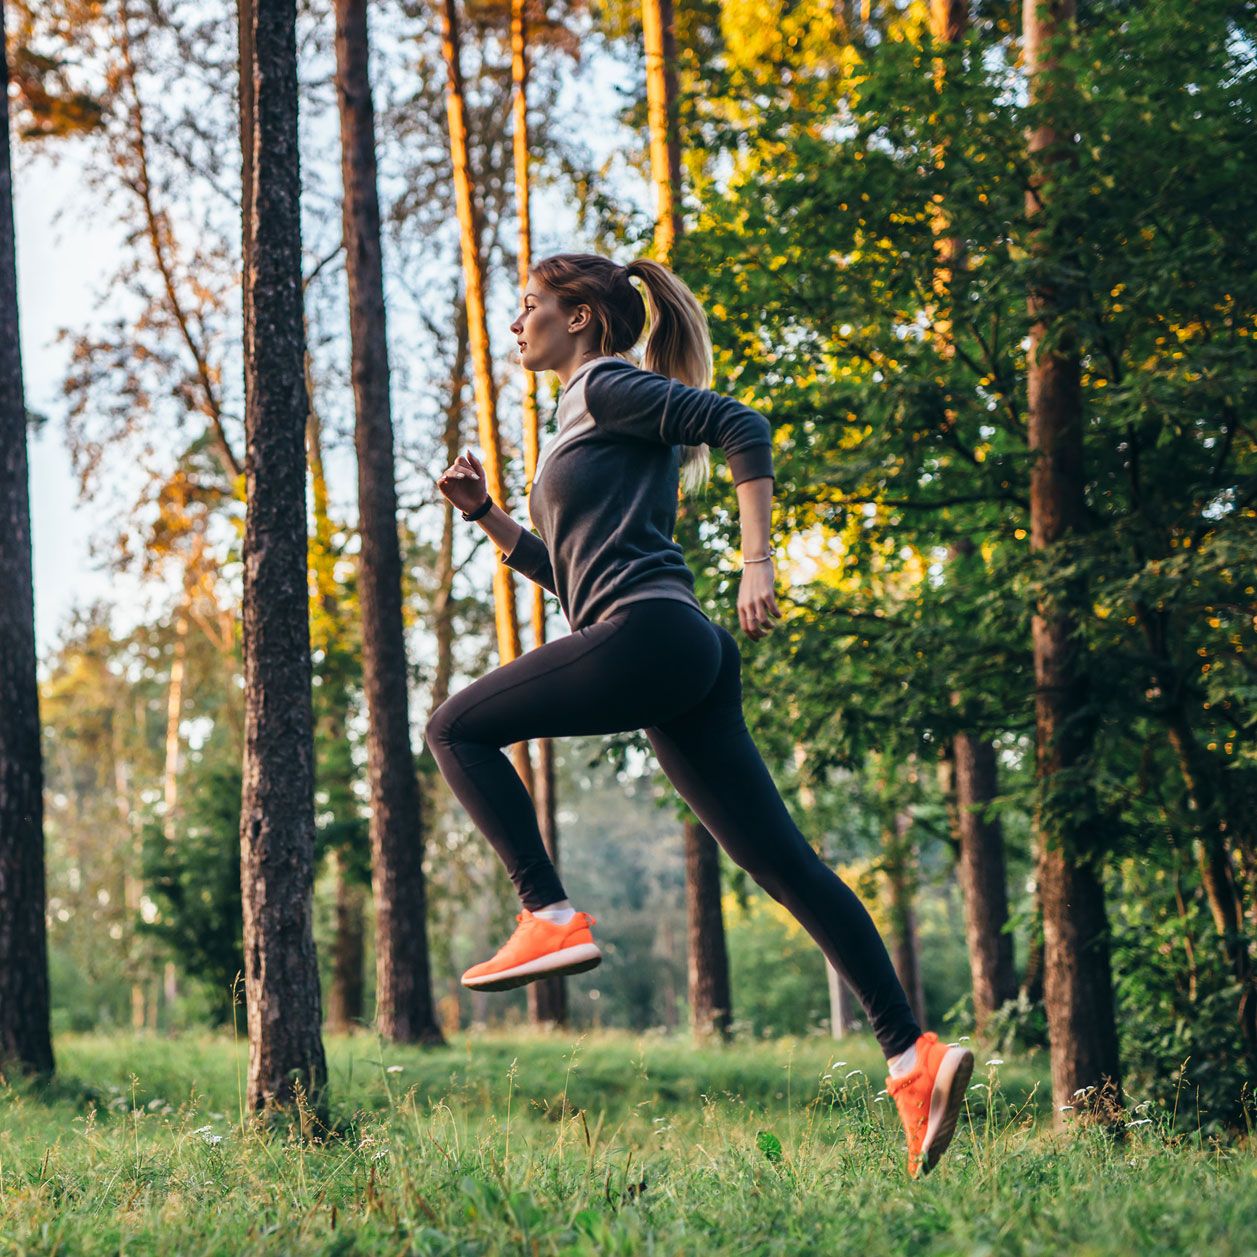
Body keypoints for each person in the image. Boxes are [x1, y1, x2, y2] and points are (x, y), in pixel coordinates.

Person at [429, 252, 973, 1177]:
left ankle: (548, 911)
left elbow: (740, 424)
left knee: (453, 727)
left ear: (585, 319)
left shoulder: (606, 386)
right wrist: (487, 515)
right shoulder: (579, 418)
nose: (516, 324)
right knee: (785, 865)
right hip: (673, 647)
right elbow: (571, 579)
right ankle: (911, 1056)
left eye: (530, 307)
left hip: (653, 636)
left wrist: (758, 560)